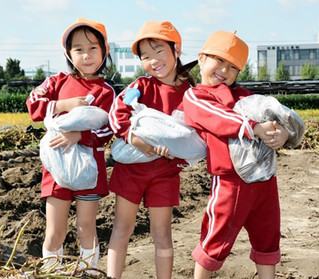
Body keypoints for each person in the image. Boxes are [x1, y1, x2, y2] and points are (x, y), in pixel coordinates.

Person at [182, 30, 289, 279]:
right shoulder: (196, 96)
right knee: (216, 237)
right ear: (201, 58)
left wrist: (283, 133)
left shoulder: (246, 97)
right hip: (230, 181)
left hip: (265, 179)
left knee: (268, 234)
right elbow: (219, 117)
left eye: (232, 66)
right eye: (218, 60)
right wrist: (253, 127)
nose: (224, 70)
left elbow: (275, 113)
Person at [107, 21, 196, 279]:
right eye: (145, 56)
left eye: (159, 51)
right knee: (122, 227)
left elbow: (195, 135)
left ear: (176, 50)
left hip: (165, 172)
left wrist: (179, 155)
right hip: (131, 169)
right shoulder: (140, 87)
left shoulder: (190, 94)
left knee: (162, 233)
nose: (153, 61)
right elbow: (117, 114)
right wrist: (135, 140)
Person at [26, 17, 115, 271]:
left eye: (93, 48)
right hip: (56, 166)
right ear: (68, 53)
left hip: (88, 168)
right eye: (78, 49)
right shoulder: (57, 82)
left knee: (86, 226)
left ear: (104, 51)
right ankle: (51, 271)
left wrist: (80, 136)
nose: (86, 55)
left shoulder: (106, 92)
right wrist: (64, 105)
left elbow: (109, 128)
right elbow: (33, 105)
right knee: (56, 229)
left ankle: (88, 271)